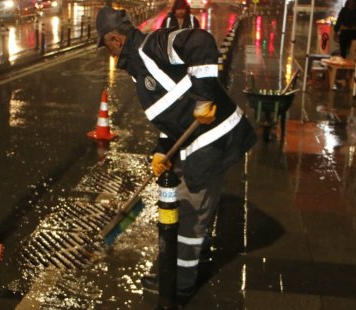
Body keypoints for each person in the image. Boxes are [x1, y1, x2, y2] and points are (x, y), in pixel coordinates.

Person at [95, 6, 256, 302]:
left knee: (190, 219)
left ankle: (178, 286)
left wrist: (204, 97)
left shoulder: (152, 48)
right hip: (197, 143)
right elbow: (172, 116)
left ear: (115, 40)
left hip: (214, 141)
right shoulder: (137, 71)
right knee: (183, 209)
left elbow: (201, 42)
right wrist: (161, 151)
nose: (108, 52)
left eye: (105, 45)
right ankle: (167, 269)